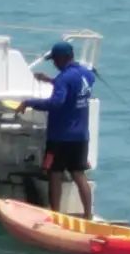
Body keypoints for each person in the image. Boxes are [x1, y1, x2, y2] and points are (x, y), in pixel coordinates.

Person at [20, 40, 96, 217]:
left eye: (55, 60)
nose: (54, 63)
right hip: (81, 135)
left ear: (61, 58)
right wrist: (51, 81)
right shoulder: (87, 74)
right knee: (79, 174)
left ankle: (56, 214)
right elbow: (73, 90)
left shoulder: (64, 78)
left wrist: (29, 103)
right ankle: (88, 215)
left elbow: (56, 103)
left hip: (60, 136)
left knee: (55, 173)